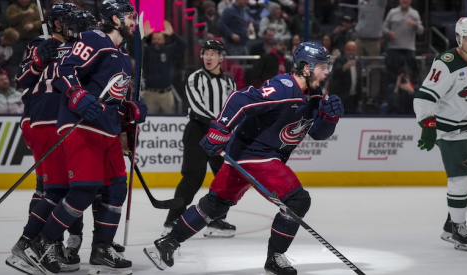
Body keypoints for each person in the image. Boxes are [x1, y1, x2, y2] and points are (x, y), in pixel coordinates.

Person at [144, 41, 344, 274]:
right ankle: (275, 258)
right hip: (257, 155)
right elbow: (240, 99)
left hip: (248, 155)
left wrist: (329, 119)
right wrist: (220, 128)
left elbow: (318, 134)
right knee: (298, 200)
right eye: (322, 66)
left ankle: (166, 243)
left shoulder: (315, 94)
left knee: (215, 205)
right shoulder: (284, 87)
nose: (327, 71)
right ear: (306, 68)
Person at [23, 1, 147, 274]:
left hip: (108, 130)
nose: (135, 20)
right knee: (84, 189)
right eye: (130, 16)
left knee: (116, 189)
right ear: (115, 19)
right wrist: (76, 94)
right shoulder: (95, 39)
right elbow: (65, 68)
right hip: (82, 128)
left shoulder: (123, 54)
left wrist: (129, 110)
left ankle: (102, 248)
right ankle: (42, 244)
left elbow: (111, 97)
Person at [6, 8, 100, 275]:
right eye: (64, 20)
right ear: (55, 23)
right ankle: (40, 243)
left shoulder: (79, 47)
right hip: (43, 120)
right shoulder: (40, 43)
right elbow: (22, 80)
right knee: (52, 188)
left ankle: (52, 241)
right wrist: (38, 60)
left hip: (64, 121)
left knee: (66, 186)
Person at [413, 16, 467, 252]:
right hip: (450, 130)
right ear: (458, 38)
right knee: (460, 179)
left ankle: (450, 224)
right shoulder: (445, 63)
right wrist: (428, 125)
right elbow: (425, 97)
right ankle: (458, 226)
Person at [163, 40, 238, 238]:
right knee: (193, 177)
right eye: (206, 53)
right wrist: (219, 127)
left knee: (226, 179)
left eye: (213, 53)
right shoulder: (195, 78)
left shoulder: (230, 82)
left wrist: (228, 129)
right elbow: (197, 107)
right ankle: (173, 218)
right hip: (198, 130)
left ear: (222, 58)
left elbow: (233, 108)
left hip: (220, 134)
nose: (208, 57)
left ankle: (216, 219)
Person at [143, 21, 187, 115]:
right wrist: (144, 36)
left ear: (164, 40)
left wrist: (172, 34)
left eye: (159, 39)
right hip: (150, 94)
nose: (156, 41)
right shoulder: (147, 50)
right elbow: (136, 48)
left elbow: (183, 45)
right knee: (147, 122)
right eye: (154, 39)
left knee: (170, 121)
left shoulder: (169, 50)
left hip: (166, 93)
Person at [383, 0, 424, 87]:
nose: (404, 1)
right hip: (393, 48)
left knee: (412, 72)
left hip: (409, 48)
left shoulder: (414, 13)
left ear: (410, 1)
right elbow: (384, 28)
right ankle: (391, 93)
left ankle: (412, 92)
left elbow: (421, 31)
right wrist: (388, 32)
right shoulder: (392, 12)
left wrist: (415, 24)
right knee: (391, 74)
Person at [354, 0, 387, 99]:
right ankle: (354, 94)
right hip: (359, 39)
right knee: (353, 66)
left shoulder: (379, 3)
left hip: (374, 41)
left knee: (375, 69)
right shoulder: (360, 2)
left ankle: (373, 96)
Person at [328, 41, 362, 114]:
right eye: (348, 49)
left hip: (353, 98)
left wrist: (360, 98)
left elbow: (359, 81)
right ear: (345, 50)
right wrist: (345, 67)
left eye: (352, 50)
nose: (350, 52)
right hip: (341, 97)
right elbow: (335, 74)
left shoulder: (358, 63)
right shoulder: (340, 60)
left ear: (355, 51)